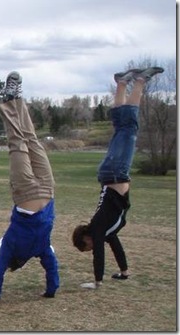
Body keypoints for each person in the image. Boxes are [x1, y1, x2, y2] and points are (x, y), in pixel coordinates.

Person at [72, 66, 164, 289]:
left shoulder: (97, 229)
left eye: (86, 247)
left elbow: (100, 255)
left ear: (85, 238)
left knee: (129, 127)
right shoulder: (106, 232)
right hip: (112, 174)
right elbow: (115, 247)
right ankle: (122, 83)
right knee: (123, 126)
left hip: (114, 173)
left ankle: (139, 81)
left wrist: (96, 282)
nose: (91, 248)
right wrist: (124, 272)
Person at [0, 71, 59, 302]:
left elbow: (53, 268)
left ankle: (12, 99)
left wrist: (51, 291)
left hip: (46, 192)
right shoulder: (8, 246)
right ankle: (13, 99)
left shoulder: (42, 248)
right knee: (22, 141)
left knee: (28, 139)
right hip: (30, 192)